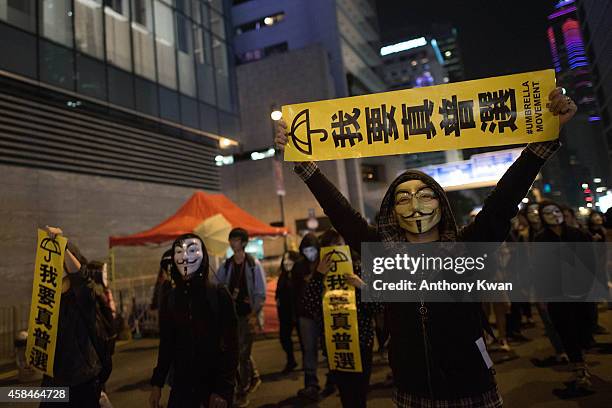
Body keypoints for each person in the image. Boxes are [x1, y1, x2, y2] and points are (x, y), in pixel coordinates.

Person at [276, 88, 576, 406]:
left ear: (441, 203)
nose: (415, 206)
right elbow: (341, 213)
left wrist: (545, 138)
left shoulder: (467, 245)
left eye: (425, 195)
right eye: (403, 198)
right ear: (392, 212)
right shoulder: (380, 249)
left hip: (471, 389)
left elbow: (504, 200)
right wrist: (302, 162)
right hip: (412, 392)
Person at [149, 233, 238, 408]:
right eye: (179, 252)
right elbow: (167, 344)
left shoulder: (218, 295)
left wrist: (223, 389)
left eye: (192, 250)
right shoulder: (171, 298)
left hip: (213, 385)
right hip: (182, 386)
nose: (185, 257)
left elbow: (231, 344)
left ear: (203, 256)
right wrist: (157, 383)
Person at [303, 229, 382, 407]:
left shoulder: (360, 269)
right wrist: (318, 275)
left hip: (361, 341)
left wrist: (361, 286)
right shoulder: (319, 275)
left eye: (338, 245)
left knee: (360, 393)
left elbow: (377, 306)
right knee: (346, 394)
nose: (334, 250)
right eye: (329, 246)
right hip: (336, 344)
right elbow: (309, 306)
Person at [39, 226, 106, 408]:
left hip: (82, 379)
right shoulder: (48, 299)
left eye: (62, 266)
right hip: (54, 380)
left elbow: (80, 278)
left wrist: (62, 244)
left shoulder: (84, 295)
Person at [534, 201, 595, 392]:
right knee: (567, 329)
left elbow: (591, 261)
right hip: (557, 294)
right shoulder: (541, 239)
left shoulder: (578, 234)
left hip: (582, 291)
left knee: (586, 326)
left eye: (556, 211)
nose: (553, 215)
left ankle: (581, 357)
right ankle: (579, 368)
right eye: (547, 213)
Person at [215, 228, 266, 408]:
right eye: (231, 240)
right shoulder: (226, 265)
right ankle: (254, 377)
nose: (232, 243)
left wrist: (254, 313)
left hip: (247, 316)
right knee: (237, 352)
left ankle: (242, 391)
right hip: (232, 317)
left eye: (235, 240)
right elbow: (217, 285)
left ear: (243, 243)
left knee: (242, 354)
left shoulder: (253, 264)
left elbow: (260, 293)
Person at [291, 233, 330, 400]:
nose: (310, 253)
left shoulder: (325, 262)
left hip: (326, 312)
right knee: (309, 349)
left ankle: (333, 380)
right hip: (306, 315)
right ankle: (311, 384)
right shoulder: (298, 267)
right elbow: (293, 292)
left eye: (312, 249)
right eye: (306, 250)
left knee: (329, 348)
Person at [275, 250, 301, 373]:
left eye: (290, 259)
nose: (286, 262)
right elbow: (279, 294)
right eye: (284, 259)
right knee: (284, 338)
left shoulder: (300, 275)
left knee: (305, 340)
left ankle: (308, 366)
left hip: (300, 312)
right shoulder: (283, 276)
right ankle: (291, 360)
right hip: (285, 314)